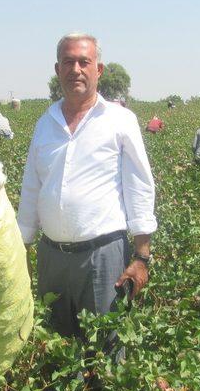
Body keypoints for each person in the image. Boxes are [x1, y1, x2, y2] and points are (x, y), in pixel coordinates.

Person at [17, 32, 157, 340]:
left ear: (99, 70)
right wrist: (22, 249)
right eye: (68, 62)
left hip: (102, 257)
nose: (76, 69)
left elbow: (139, 186)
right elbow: (31, 186)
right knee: (55, 346)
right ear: (58, 70)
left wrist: (142, 256)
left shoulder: (120, 120)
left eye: (84, 62)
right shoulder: (45, 122)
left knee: (104, 351)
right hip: (51, 257)